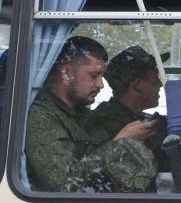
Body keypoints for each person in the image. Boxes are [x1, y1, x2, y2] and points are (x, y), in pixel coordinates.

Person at [26, 36, 157, 193]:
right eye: (94, 75)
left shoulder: (77, 113)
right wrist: (121, 143)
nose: (101, 84)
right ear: (67, 73)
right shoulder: (40, 117)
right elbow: (64, 185)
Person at [82, 46, 168, 169]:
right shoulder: (108, 125)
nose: (160, 84)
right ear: (138, 85)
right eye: (154, 80)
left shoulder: (131, 117)